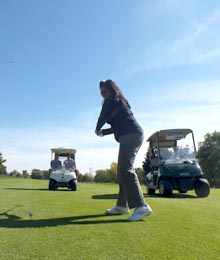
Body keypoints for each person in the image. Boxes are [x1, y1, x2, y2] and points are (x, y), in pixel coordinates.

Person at [95, 79, 152, 222]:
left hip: (131, 135)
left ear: (112, 89)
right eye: (101, 92)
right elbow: (118, 126)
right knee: (122, 171)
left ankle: (142, 206)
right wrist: (104, 132)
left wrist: (97, 129)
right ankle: (122, 205)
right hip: (131, 134)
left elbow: (102, 116)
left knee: (126, 169)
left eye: (105, 91)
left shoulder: (112, 100)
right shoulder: (117, 102)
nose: (103, 94)